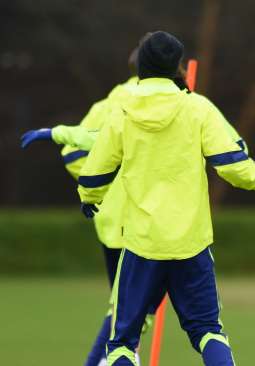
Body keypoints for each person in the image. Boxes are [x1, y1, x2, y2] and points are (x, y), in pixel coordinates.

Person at [76, 31, 255, 365]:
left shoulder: (122, 111)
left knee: (122, 344)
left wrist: (90, 196)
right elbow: (231, 165)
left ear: (140, 66)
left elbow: (95, 172)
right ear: (179, 69)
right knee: (208, 332)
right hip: (191, 242)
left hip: (142, 243)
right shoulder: (197, 107)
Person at [20, 42, 143, 366]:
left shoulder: (107, 103)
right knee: (129, 309)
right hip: (142, 220)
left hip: (109, 219)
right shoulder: (156, 103)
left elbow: (75, 153)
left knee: (129, 308)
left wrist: (101, 186)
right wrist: (121, 181)